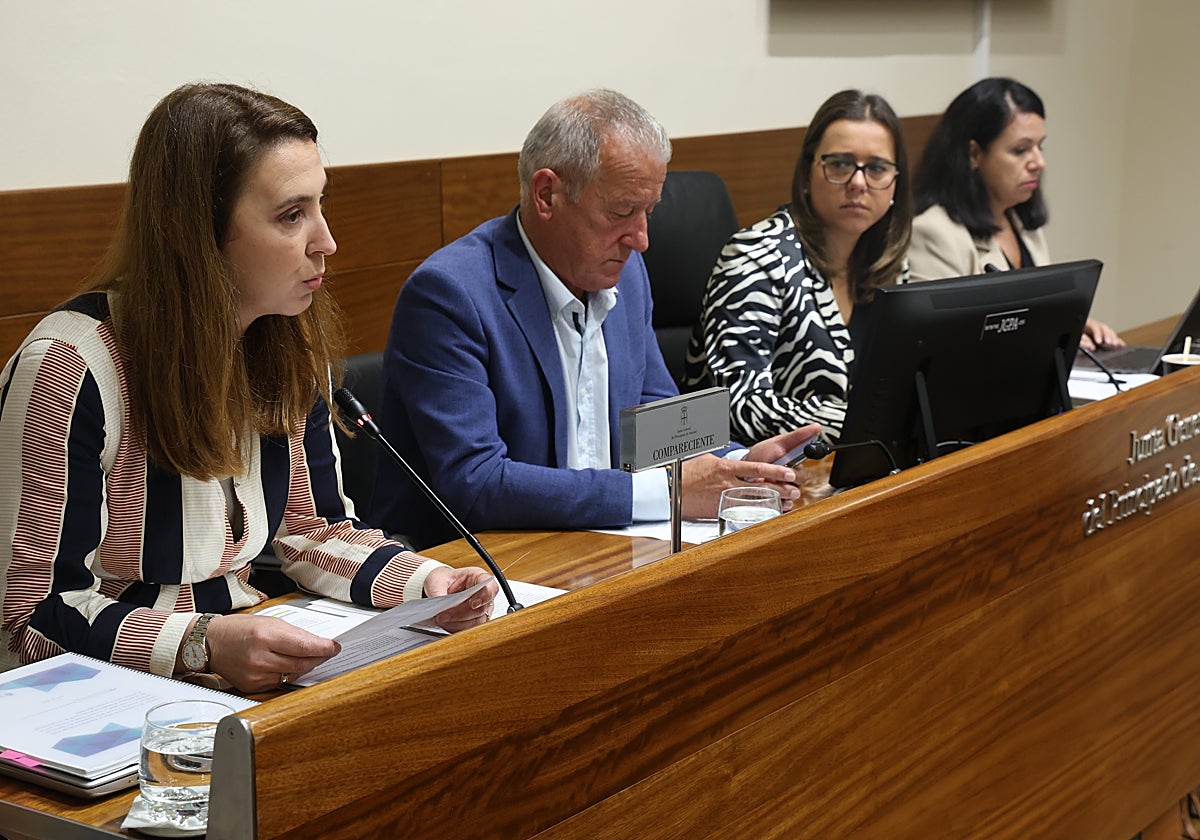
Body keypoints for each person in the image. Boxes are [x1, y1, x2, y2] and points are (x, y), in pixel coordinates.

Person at [0, 83, 497, 693]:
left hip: (251, 673)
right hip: (108, 700)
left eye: (320, 205)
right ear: (196, 234)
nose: (326, 241)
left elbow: (310, 531)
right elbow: (26, 620)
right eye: (292, 216)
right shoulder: (66, 369)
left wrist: (424, 583)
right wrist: (199, 645)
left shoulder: (286, 341)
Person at [370, 89, 817, 549]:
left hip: (603, 549)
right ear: (547, 195)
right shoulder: (450, 295)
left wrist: (738, 465)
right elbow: (477, 484)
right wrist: (669, 492)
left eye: (648, 212)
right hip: (475, 568)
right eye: (623, 211)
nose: (641, 239)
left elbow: (658, 419)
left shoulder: (628, 273)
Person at [684, 90, 912, 444]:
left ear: (896, 182)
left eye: (877, 168)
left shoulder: (890, 263)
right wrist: (866, 423)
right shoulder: (755, 257)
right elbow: (738, 407)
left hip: (856, 464)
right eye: (840, 164)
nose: (858, 183)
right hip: (755, 468)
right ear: (807, 173)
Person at [908, 77, 1123, 351]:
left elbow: (1032, 315)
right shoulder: (933, 233)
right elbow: (944, 344)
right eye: (1021, 150)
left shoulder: (1022, 222)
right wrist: (1045, 336)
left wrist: (1069, 327)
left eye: (1039, 147)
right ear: (974, 154)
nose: (1039, 162)